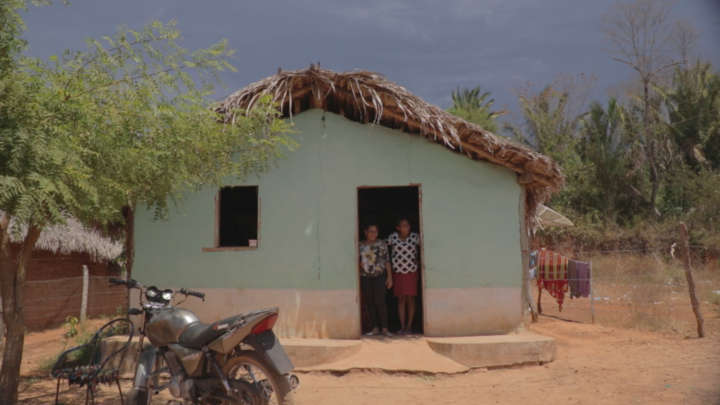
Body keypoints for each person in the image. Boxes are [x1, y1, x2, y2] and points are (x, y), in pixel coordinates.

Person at [387, 218, 420, 335]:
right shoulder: (393, 238)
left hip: (411, 272)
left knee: (411, 299)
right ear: (398, 228)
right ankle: (402, 326)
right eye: (403, 226)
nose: (405, 228)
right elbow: (387, 252)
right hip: (398, 272)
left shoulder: (415, 237)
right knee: (401, 299)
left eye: (407, 225)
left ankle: (409, 326)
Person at [359, 223, 393, 337]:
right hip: (365, 277)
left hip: (379, 276)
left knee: (381, 302)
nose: (373, 234)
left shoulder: (381, 244)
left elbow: (387, 261)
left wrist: (389, 277)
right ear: (365, 232)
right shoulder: (360, 245)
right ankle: (374, 328)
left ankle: (385, 328)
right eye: (371, 231)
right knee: (370, 302)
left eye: (375, 231)